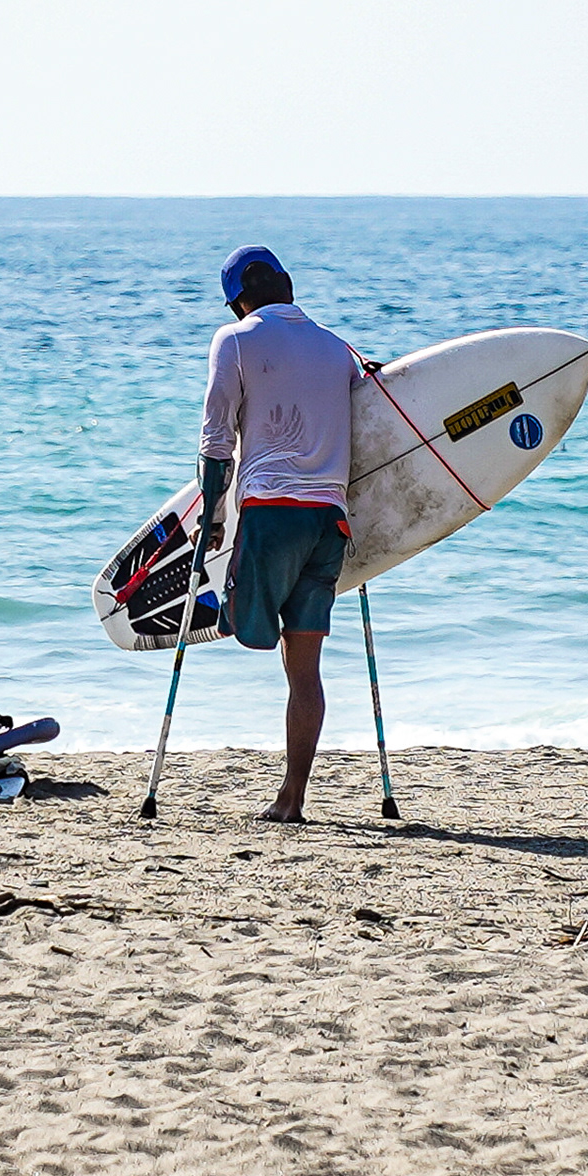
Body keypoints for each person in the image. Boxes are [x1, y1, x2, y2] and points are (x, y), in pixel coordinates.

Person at [199, 245, 360, 822]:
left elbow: (216, 440)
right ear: (287, 285)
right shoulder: (339, 349)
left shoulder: (234, 340)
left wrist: (212, 521)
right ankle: (292, 798)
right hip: (330, 522)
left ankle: (236, 610)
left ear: (238, 302)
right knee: (304, 668)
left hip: (271, 512)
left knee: (244, 625)